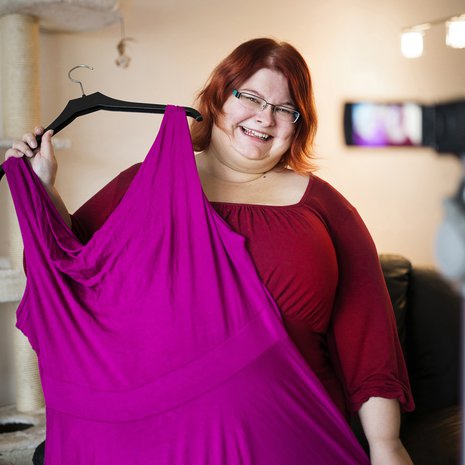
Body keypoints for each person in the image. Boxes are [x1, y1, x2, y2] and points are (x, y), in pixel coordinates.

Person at [6, 37, 415, 465]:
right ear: (219, 98)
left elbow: (368, 336)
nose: (265, 117)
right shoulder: (144, 184)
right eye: (250, 97)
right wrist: (44, 188)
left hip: (294, 438)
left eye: (284, 109)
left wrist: (386, 443)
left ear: (298, 125)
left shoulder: (324, 207)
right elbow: (70, 271)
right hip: (150, 442)